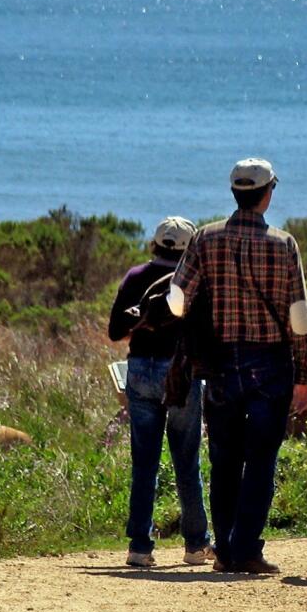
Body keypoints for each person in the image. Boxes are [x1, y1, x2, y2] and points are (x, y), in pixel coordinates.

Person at [167, 158, 307, 575]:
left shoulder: (203, 238)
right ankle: (247, 547)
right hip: (269, 362)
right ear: (268, 193)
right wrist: (304, 375)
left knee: (224, 458)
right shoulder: (284, 244)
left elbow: (179, 297)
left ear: (235, 193)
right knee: (262, 458)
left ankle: (227, 550)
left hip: (219, 362)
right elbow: (299, 316)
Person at [108, 216, 213, 567]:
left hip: (139, 370)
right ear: (189, 248)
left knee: (145, 463)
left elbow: (114, 331)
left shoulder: (136, 277)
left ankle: (140, 546)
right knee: (187, 462)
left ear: (155, 244)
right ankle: (196, 545)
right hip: (180, 372)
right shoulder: (195, 279)